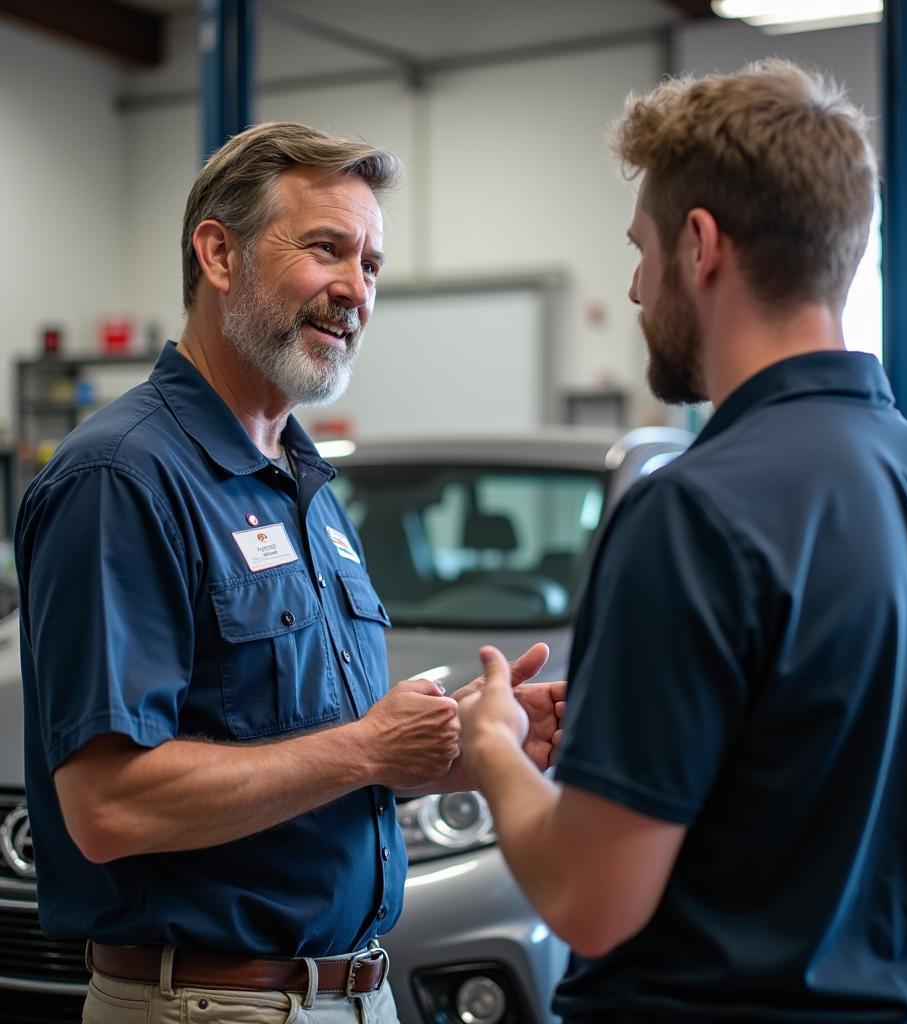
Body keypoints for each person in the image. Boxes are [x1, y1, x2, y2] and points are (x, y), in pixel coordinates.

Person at [459, 60, 907, 1024]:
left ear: (701, 243)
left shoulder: (691, 516)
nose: (636, 288)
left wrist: (496, 748)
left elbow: (590, 902)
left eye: (640, 249)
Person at [15, 121, 563, 1024]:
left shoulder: (302, 487)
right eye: (326, 249)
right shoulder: (122, 478)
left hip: (353, 994)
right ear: (218, 254)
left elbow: (301, 754)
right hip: (208, 1004)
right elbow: (108, 805)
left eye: (373, 264)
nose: (356, 291)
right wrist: (369, 747)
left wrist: (458, 748)